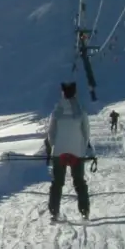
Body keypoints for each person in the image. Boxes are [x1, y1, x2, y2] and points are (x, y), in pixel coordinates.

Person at [45, 82, 92, 221]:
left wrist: (54, 146)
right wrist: (83, 148)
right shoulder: (81, 110)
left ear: (62, 93)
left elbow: (51, 134)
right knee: (79, 182)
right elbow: (86, 132)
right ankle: (84, 211)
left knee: (57, 183)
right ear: (75, 93)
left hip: (59, 152)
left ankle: (54, 212)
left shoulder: (56, 111)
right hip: (77, 152)